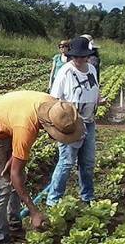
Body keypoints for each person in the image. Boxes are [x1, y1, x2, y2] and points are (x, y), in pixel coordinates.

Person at [0, 90, 85, 244]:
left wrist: (15, 155)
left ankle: (15, 228)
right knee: (3, 186)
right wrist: (34, 211)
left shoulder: (55, 108)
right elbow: (15, 175)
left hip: (8, 123)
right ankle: (0, 240)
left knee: (18, 178)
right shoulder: (27, 127)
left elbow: (18, 170)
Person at [44, 36, 106, 207]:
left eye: (83, 56)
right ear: (72, 56)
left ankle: (87, 196)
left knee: (87, 162)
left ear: (88, 55)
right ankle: (53, 200)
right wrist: (54, 126)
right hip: (70, 125)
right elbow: (54, 100)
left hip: (89, 122)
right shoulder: (65, 72)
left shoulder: (92, 69)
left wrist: (99, 100)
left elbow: (94, 89)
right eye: (76, 56)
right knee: (66, 162)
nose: (79, 59)